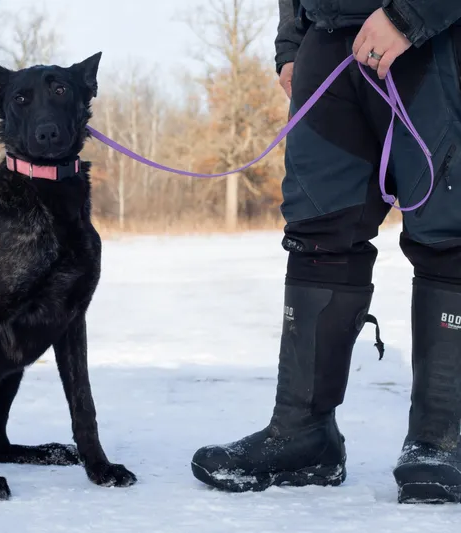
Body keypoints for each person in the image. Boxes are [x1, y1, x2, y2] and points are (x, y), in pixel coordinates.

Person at [191, 0, 461, 504]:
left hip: (430, 40)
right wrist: (293, 43)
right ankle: (303, 433)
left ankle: (441, 440)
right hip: (326, 40)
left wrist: (410, 15)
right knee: (318, 229)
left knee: (449, 233)